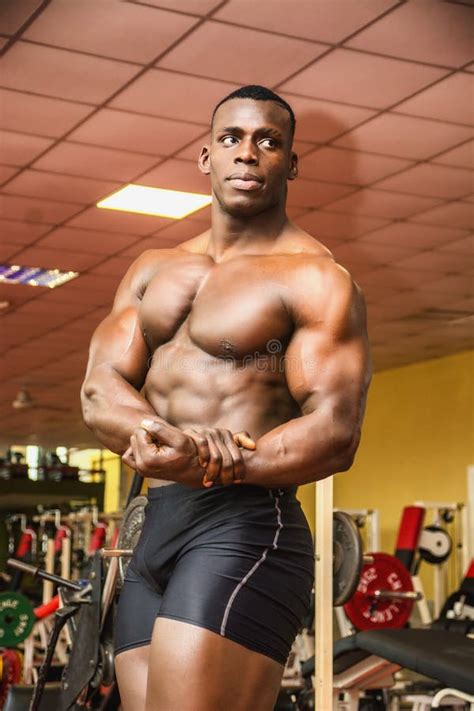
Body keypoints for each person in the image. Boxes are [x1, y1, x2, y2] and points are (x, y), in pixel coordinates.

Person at [81, 85, 372, 711]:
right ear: (205, 156)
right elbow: (100, 389)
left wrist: (215, 462)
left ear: (290, 163)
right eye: (232, 138)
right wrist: (168, 442)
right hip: (154, 533)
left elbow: (336, 429)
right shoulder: (151, 268)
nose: (248, 153)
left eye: (269, 142)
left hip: (244, 529)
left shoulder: (315, 278)